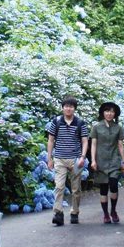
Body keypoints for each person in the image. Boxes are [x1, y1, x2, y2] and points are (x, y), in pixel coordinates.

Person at [46, 96, 89, 226]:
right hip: (59, 158)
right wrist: (49, 158)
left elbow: (85, 140)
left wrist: (82, 157)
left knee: (76, 188)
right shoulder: (56, 121)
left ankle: (74, 212)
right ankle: (58, 213)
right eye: (66, 106)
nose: (68, 108)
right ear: (63, 108)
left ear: (74, 109)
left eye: (71, 106)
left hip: (75, 159)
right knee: (59, 186)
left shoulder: (80, 122)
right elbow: (51, 140)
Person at [90, 101, 124, 223]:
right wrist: (93, 160)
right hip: (100, 161)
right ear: (103, 113)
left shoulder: (118, 128)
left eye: (112, 111)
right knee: (103, 188)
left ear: (115, 114)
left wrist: (123, 161)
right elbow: (94, 144)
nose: (109, 113)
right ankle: (106, 214)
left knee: (113, 185)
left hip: (114, 161)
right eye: (107, 111)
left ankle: (113, 210)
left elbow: (120, 145)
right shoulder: (96, 127)